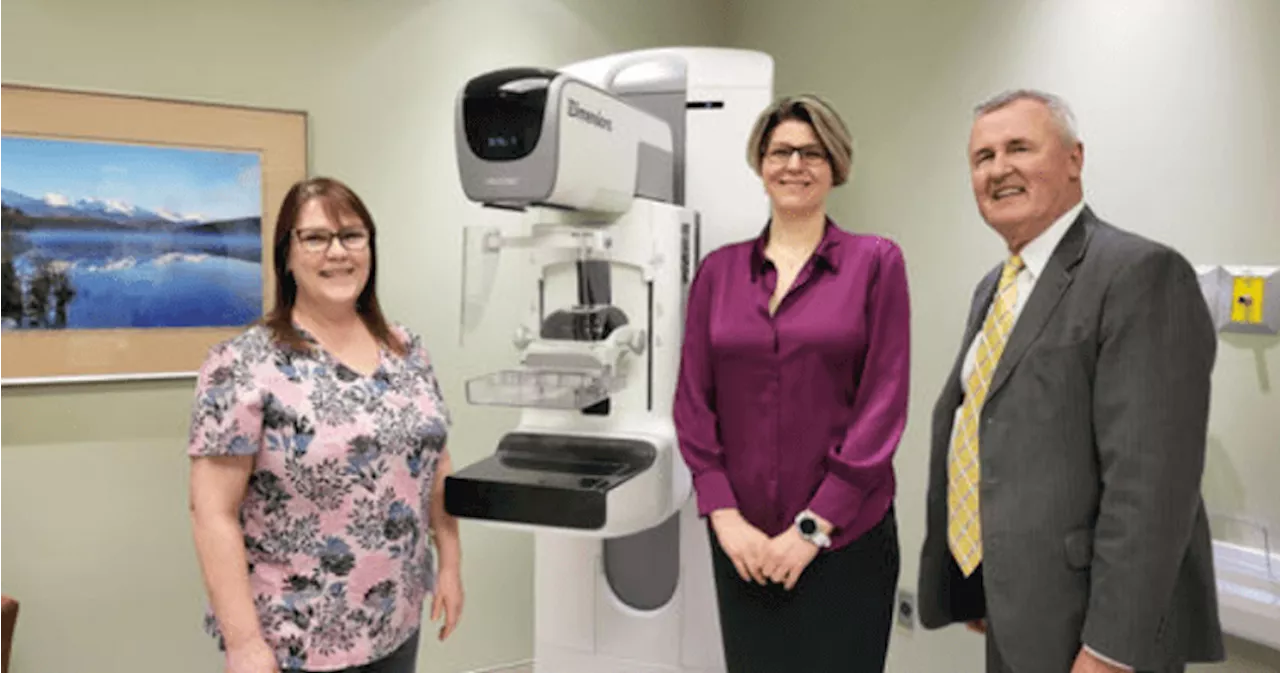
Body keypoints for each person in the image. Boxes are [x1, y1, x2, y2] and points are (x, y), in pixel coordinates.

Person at [916, 89, 1226, 673]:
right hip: (1017, 610)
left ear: (1073, 159)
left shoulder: (1139, 274)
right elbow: (995, 432)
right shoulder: (995, 287)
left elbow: (1153, 486)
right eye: (982, 158)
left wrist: (1111, 649)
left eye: (1019, 148)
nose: (998, 169)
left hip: (1097, 633)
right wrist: (982, 578)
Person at [672, 93, 910, 672]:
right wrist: (725, 519)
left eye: (812, 152)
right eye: (780, 152)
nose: (794, 165)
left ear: (835, 166)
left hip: (845, 540)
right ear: (761, 163)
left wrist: (811, 529)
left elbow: (883, 404)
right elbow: (693, 402)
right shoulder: (718, 272)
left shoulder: (875, 262)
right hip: (743, 544)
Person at [186, 176, 464, 673]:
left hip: (395, 619)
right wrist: (245, 644)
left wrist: (450, 563)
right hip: (295, 640)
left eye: (352, 235)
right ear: (286, 256)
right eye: (315, 238)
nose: (337, 252)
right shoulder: (242, 365)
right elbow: (212, 514)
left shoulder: (407, 350)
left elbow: (435, 461)